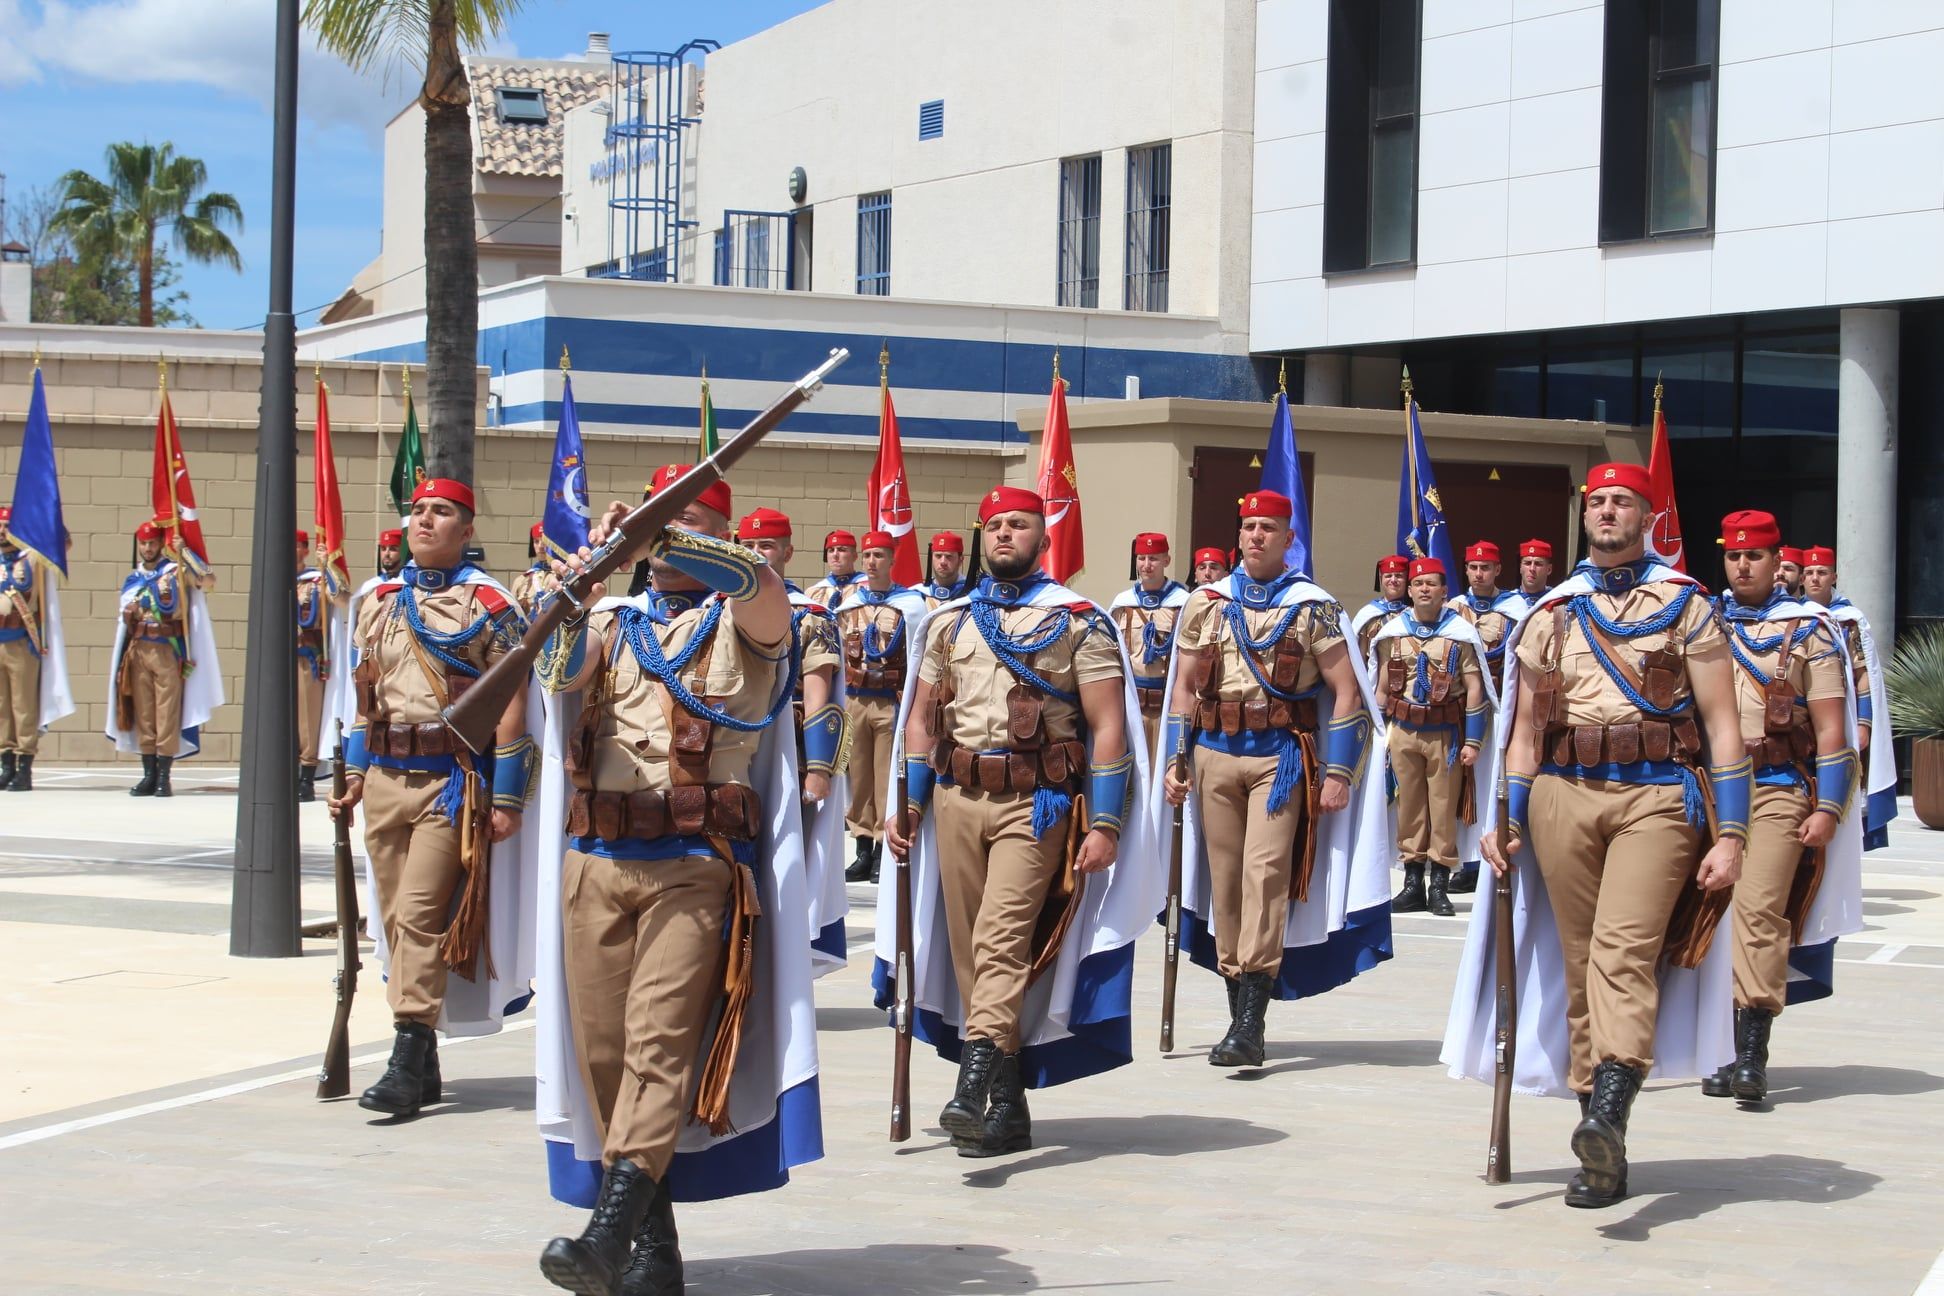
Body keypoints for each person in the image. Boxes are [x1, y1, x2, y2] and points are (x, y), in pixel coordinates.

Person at [532, 465, 821, 1292]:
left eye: (686, 523)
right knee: (605, 1057)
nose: (660, 547)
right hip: (598, 862)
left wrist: (670, 532)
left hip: (696, 867)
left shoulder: (749, 619)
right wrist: (574, 583)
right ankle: (652, 1253)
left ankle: (606, 1232)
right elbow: (559, 669)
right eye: (659, 526)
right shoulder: (615, 622)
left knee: (660, 1047)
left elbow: (764, 594)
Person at [1445, 462, 1748, 1209]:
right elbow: (1522, 732)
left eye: (1623, 502)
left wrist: (1732, 832)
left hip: (1657, 796)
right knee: (1578, 964)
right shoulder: (1552, 609)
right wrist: (1506, 816)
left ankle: (1611, 1106)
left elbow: (1722, 725)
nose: (1608, 512)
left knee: (1623, 951)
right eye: (1599, 501)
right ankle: (1598, 1140)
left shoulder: (1687, 605)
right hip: (1560, 796)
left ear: (1647, 516)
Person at [879, 485, 1159, 1158]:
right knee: (971, 948)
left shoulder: (1078, 621)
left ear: (1043, 536)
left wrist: (1109, 824)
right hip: (955, 796)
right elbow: (922, 719)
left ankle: (972, 1084)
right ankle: (1007, 1104)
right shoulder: (947, 622)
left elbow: (1108, 727)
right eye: (996, 525)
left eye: (1020, 525)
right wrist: (911, 802)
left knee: (1003, 940)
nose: (1005, 535)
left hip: (1039, 805)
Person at [328, 479, 539, 1120]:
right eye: (418, 510)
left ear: (467, 529)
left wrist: (507, 799)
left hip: (451, 784)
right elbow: (367, 698)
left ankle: (405, 1052)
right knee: (392, 925)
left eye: (441, 512)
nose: (424, 520)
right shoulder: (379, 601)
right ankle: (424, 1063)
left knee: (419, 916)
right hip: (385, 778)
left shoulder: (493, 605)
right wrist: (357, 775)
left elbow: (511, 706)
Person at [1157, 490, 1388, 1070]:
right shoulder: (1206, 603)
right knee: (1226, 880)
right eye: (1250, 526)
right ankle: (1238, 999)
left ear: (1290, 539)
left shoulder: (1313, 607)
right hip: (1212, 752)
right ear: (1239, 536)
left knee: (1264, 875)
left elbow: (1345, 690)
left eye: (1270, 528)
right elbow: (1184, 688)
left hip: (1280, 759)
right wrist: (1174, 759)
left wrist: (1339, 772)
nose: (1257, 536)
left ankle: (1250, 1019)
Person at [1702, 512, 1862, 1107]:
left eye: (1756, 556)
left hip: (1775, 786)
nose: (1742, 566)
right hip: (1707, 788)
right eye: (1734, 557)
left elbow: (1830, 730)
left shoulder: (1809, 629)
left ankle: (1750, 1048)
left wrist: (1829, 807)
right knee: (1705, 917)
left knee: (1758, 910)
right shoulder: (1700, 620)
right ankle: (1711, 1042)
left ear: (1778, 563)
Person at [741, 504, 851, 972]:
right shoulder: (715, 610)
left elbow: (820, 692)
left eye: (765, 546)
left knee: (783, 868)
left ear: (787, 552)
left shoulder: (809, 614)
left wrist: (821, 771)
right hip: (730, 756)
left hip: (790, 759)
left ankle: (779, 973)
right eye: (746, 547)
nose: (755, 555)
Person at [1369, 557, 1490, 918]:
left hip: (1444, 734)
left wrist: (1473, 741)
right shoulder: (1392, 633)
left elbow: (1474, 688)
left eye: (1431, 583)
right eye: (1418, 583)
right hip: (1404, 730)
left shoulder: (1460, 633)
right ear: (1408, 590)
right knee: (1409, 807)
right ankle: (1411, 884)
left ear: (1444, 591)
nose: (1424, 589)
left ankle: (1439, 884)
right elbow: (1380, 688)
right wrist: (1375, 734)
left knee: (1442, 806)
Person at [836, 531, 928, 884]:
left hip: (890, 700)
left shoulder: (910, 605)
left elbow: (919, 653)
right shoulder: (847, 606)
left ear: (892, 561)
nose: (872, 562)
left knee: (885, 774)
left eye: (879, 555)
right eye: (868, 555)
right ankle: (861, 847)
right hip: (855, 697)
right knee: (857, 775)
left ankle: (879, 848)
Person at [108, 519, 222, 797]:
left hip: (167, 650)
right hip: (138, 649)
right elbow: (126, 614)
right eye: (143, 544)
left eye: (152, 543)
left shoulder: (176, 573)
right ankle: (149, 774)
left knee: (166, 713)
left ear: (161, 543)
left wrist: (185, 553)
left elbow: (207, 580)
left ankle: (164, 776)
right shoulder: (134, 578)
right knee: (144, 713)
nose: (147, 548)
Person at [1800, 545, 1899, 850]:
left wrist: (1864, 724)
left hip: (1841, 712)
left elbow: (1863, 674)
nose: (1815, 578)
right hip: (1803, 717)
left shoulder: (1849, 620)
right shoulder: (1791, 616)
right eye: (1809, 573)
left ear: (1834, 577)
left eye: (1822, 572)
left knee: (1842, 791)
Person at [0, 507, 76, 791]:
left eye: (7, 525)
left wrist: (47, 518)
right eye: (0, 525)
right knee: (2, 708)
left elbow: (63, 545)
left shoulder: (32, 558)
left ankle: (24, 766)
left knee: (23, 707)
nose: (2, 530)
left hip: (21, 642)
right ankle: (5, 763)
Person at [1109, 532, 1190, 760]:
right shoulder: (1122, 604)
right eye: (1141, 558)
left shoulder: (1183, 604)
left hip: (1166, 706)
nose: (1146, 565)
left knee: (1161, 774)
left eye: (1153, 558)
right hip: (1130, 705)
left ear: (1167, 561)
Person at [295, 529, 349, 804]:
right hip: (279, 662)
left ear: (305, 549)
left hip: (307, 657)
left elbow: (342, 598)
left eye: (296, 546)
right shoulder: (274, 580)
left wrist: (327, 565)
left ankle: (306, 776)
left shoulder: (315, 582)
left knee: (307, 720)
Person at [1350, 555, 1410, 661]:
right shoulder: (1367, 614)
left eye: (1399, 576)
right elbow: (1359, 656)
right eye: (1388, 576)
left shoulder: (1415, 612)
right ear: (1381, 579)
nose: (1393, 580)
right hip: (1375, 674)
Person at [806, 529, 863, 610]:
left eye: (841, 550)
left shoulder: (867, 588)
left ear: (855, 556)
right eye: (831, 550)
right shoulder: (813, 592)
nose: (835, 554)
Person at [920, 530, 973, 608]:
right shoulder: (922, 592)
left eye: (949, 556)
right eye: (938, 556)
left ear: (960, 560)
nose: (943, 562)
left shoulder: (971, 593)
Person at [1507, 538, 1555, 615]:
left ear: (1549, 569)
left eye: (1538, 564)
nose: (1532, 568)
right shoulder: (1507, 601)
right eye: (1528, 563)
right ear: (1520, 568)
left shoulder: (1556, 600)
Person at [511, 522, 548, 617]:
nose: (540, 546)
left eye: (545, 541)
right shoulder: (521, 580)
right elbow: (513, 615)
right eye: (536, 541)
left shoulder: (564, 576)